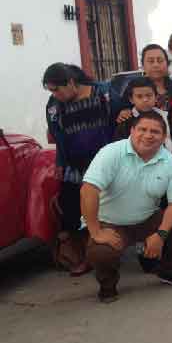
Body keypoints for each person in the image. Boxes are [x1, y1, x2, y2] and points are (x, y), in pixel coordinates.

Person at [82, 111, 172, 303]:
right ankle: (108, 285)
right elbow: (88, 190)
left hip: (146, 219)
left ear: (163, 137)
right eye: (142, 129)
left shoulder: (171, 163)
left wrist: (161, 235)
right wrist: (96, 231)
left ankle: (169, 272)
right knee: (101, 252)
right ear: (132, 131)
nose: (148, 135)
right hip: (110, 222)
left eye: (155, 132)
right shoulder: (111, 153)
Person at [44, 63, 121, 276]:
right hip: (75, 167)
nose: (54, 94)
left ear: (71, 82)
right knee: (72, 210)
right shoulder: (54, 105)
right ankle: (85, 256)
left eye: (56, 89)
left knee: (107, 207)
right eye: (50, 90)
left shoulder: (103, 93)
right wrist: (60, 163)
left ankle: (110, 252)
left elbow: (123, 116)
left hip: (107, 164)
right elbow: (58, 136)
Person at [114, 76, 172, 153]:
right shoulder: (125, 120)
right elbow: (121, 148)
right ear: (131, 99)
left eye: (149, 95)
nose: (145, 100)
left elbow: (169, 141)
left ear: (156, 97)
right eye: (139, 96)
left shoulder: (165, 117)